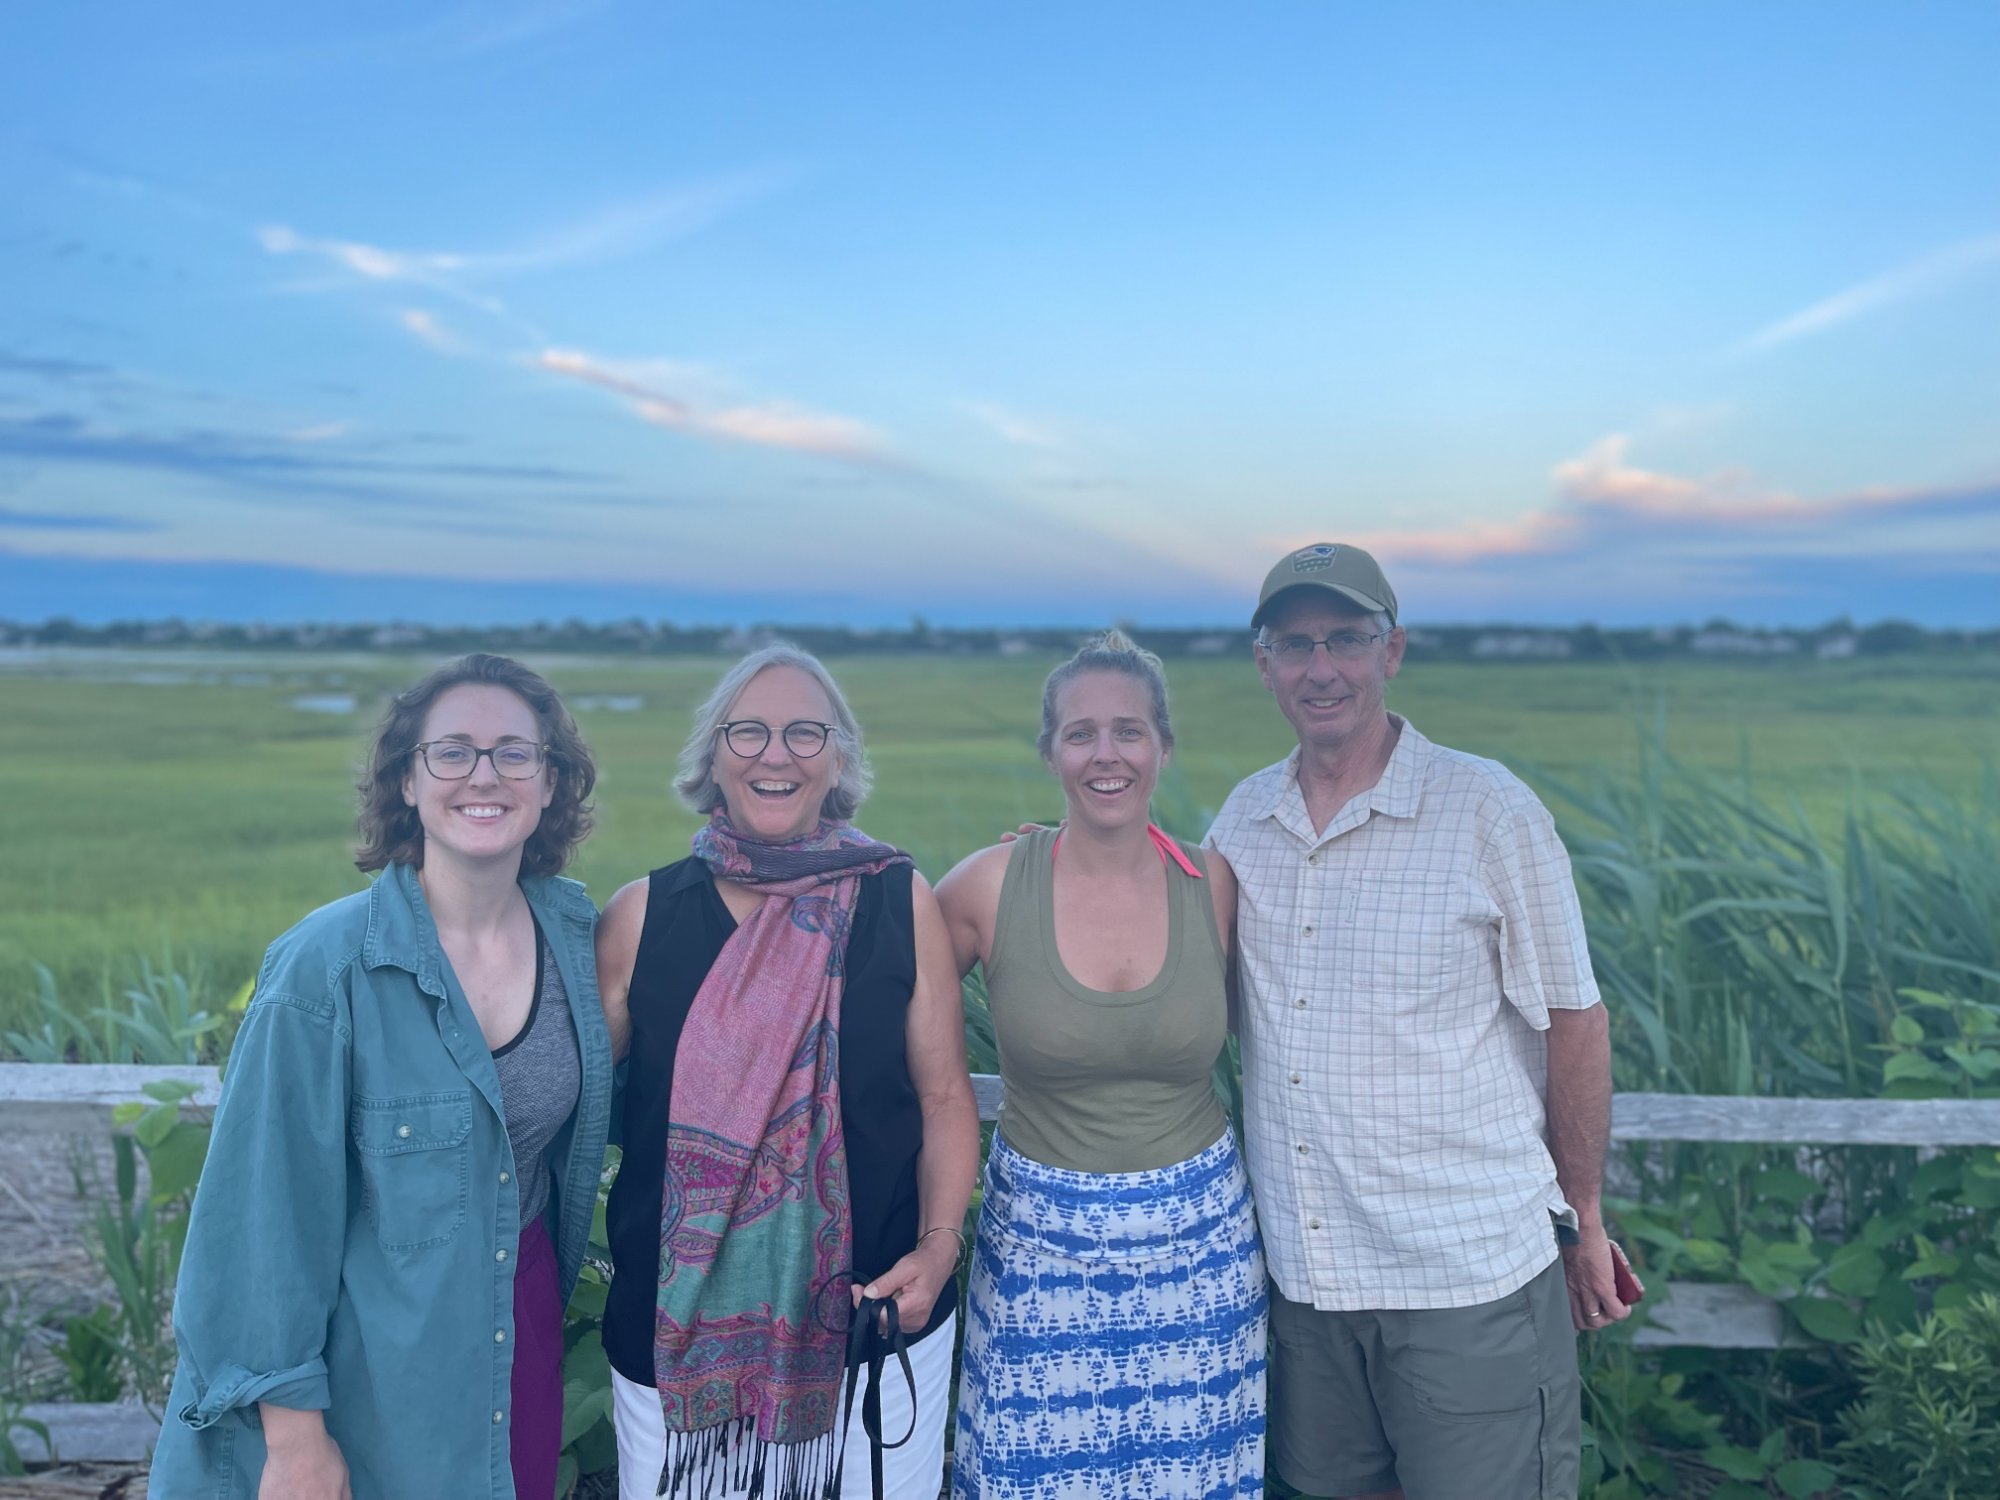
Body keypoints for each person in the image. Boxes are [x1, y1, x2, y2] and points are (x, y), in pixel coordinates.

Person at [1204, 543, 1623, 1500]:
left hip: (1463, 1280)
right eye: (1296, 644)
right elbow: (1181, 981)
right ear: (1264, 662)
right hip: (1305, 1283)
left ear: (1393, 651)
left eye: (1347, 639)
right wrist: (1058, 864)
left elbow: (1577, 1020)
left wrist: (1584, 1217)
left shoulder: (1488, 809)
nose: (1323, 669)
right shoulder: (1244, 820)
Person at [152, 653, 617, 1500]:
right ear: (408, 779)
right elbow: (259, 1219)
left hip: (521, 1331)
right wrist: (294, 1438)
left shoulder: (580, 938)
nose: (486, 775)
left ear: (551, 785)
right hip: (366, 1368)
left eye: (516, 753)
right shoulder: (323, 972)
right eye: (453, 752)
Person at [595, 644, 979, 1500]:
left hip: (872, 1328)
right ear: (714, 755)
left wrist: (939, 1249)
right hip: (674, 1350)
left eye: (806, 733)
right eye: (751, 732)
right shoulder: (640, 917)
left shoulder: (895, 900)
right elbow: (564, 1099)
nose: (776, 755)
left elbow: (947, 1096)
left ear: (838, 759)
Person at [939, 630, 1267, 1500]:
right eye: (1080, 733)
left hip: (1201, 1251)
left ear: (1163, 744)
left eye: (1129, 730)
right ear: (1050, 752)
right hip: (1040, 1248)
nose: (1105, 754)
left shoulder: (1217, 883)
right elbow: (879, 1008)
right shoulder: (985, 886)